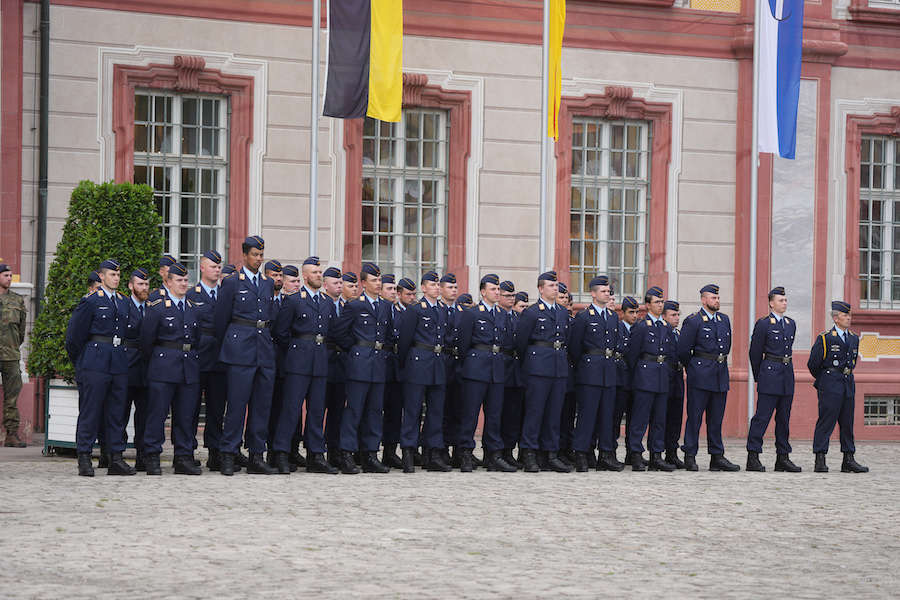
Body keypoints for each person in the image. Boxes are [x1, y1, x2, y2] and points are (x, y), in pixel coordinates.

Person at [213, 236, 277, 476]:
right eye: (255, 255)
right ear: (245, 255)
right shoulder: (232, 283)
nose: (259, 259)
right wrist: (230, 345)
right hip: (240, 349)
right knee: (237, 405)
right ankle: (228, 453)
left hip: (263, 349)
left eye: (261, 255)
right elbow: (221, 320)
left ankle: (256, 455)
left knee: (261, 406)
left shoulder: (267, 284)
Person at [65, 259, 134, 476]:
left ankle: (115, 457)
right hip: (95, 362)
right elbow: (74, 337)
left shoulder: (123, 302)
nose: (116, 278)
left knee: (116, 413)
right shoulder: (91, 301)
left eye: (118, 275)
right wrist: (83, 362)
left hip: (118, 362)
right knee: (91, 411)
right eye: (112, 275)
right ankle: (84, 457)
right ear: (101, 277)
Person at [271, 256, 337, 474]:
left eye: (320, 272)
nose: (319, 275)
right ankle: (281, 452)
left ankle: (315, 454)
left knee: (317, 410)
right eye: (315, 272)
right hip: (298, 361)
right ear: (305, 276)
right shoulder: (294, 300)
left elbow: (331, 333)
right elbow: (281, 332)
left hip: (319, 361)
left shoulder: (327, 302)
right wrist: (297, 350)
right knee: (291, 409)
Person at [140, 261, 202, 475]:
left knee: (185, 415)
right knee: (157, 414)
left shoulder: (193, 307)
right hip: (163, 367)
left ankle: (183, 457)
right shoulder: (157, 306)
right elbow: (147, 341)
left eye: (186, 280)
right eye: (179, 280)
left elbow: (198, 339)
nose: (184, 283)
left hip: (188, 367)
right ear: (168, 282)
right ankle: (152, 456)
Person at [331, 262, 393, 474]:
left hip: (378, 363)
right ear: (363, 283)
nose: (378, 283)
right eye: (374, 280)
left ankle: (370, 454)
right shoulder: (355, 305)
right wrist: (356, 348)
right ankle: (347, 453)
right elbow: (340, 332)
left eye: (379, 280)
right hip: (359, 362)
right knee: (354, 410)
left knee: (375, 411)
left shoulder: (385, 306)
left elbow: (389, 334)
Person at [455, 274, 517, 472]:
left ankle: (493, 454)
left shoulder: (502, 314)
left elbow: (506, 343)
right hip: (476, 369)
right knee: (470, 414)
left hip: (497, 369)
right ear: (483, 292)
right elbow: (463, 344)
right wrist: (471, 364)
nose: (497, 292)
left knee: (494, 414)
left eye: (498, 289)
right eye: (493, 289)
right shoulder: (472, 314)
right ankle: (464, 452)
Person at [677, 284, 739, 472]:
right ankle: (690, 454)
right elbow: (683, 350)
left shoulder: (723, 320)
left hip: (719, 374)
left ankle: (717, 456)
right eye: (713, 298)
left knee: (716, 418)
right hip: (700, 374)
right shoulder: (694, 321)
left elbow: (726, 346)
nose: (717, 301)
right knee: (695, 417)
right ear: (704, 299)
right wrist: (695, 367)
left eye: (718, 298)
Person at [515, 271, 571, 473]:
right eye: (550, 285)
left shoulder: (563, 312)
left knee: (554, 413)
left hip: (558, 367)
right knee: (535, 412)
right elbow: (521, 343)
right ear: (540, 288)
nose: (555, 289)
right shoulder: (532, 312)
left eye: (556, 285)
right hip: (538, 368)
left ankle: (551, 453)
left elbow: (568, 340)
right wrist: (532, 363)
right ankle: (529, 453)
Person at [396, 270, 451, 473]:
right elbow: (404, 341)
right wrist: (406, 364)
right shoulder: (416, 310)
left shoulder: (443, 310)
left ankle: (433, 453)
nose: (436, 287)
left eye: (438, 284)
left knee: (436, 411)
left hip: (437, 363)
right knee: (413, 409)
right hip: (418, 362)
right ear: (424, 288)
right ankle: (408, 451)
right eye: (432, 284)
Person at [568, 275, 623, 472]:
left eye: (608, 291)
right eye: (603, 291)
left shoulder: (613, 316)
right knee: (587, 415)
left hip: (608, 371)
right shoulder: (584, 317)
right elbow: (575, 347)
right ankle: (581, 453)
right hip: (589, 372)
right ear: (593, 293)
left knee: (607, 415)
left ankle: (606, 454)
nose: (607, 294)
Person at [808, 301, 868, 473]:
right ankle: (820, 458)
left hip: (848, 382)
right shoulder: (825, 338)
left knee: (847, 422)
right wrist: (826, 381)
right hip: (830, 383)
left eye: (850, 315)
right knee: (826, 421)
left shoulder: (854, 338)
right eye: (845, 315)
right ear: (836, 318)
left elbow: (853, 362)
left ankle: (848, 458)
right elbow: (813, 364)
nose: (849, 318)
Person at [746, 287, 801, 472]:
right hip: (769, 374)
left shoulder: (790, 323)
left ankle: (782, 457)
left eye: (785, 300)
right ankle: (753, 455)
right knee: (762, 417)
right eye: (780, 300)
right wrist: (759, 375)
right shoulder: (764, 324)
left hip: (786, 375)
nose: (784, 303)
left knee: (784, 418)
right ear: (771, 303)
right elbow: (754, 353)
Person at [625, 286, 675, 472]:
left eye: (662, 302)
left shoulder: (665, 327)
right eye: (657, 302)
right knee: (640, 418)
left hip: (661, 377)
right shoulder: (641, 327)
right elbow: (632, 355)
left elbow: (670, 354)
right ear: (648, 305)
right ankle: (636, 454)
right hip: (645, 377)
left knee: (659, 419)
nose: (660, 305)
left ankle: (656, 455)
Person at [186, 250, 226, 470]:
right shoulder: (193, 294)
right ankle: (187, 451)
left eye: (219, 267)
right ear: (202, 268)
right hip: (199, 357)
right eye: (213, 266)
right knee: (190, 408)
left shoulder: (226, 294)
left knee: (217, 409)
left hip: (220, 358)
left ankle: (215, 452)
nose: (217, 270)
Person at [123, 268, 149, 470]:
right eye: (140, 284)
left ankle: (142, 455)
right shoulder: (124, 307)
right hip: (127, 366)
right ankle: (114, 454)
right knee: (120, 413)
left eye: (146, 284)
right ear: (131, 286)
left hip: (146, 368)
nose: (144, 288)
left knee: (145, 415)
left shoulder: (152, 307)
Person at [0, 263, 27, 448]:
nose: (9, 278)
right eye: (5, 275)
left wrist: (13, 345)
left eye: (10, 275)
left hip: (10, 354)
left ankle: (11, 434)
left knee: (12, 396)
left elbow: (22, 330)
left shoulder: (17, 300)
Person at [380, 274, 405, 469]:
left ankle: (390, 451)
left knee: (395, 411)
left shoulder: (401, 311)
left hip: (396, 366)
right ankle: (366, 450)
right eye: (389, 289)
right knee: (373, 410)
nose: (393, 293)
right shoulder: (379, 309)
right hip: (380, 364)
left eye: (394, 289)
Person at [323, 266, 347, 467]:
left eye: (341, 283)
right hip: (324, 361)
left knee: (337, 410)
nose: (339, 286)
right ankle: (316, 450)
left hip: (342, 365)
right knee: (318, 409)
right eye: (335, 283)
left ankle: (334, 450)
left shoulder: (347, 306)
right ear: (325, 285)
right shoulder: (322, 303)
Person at [499, 281, 524, 469]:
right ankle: (496, 451)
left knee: (513, 414)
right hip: (499, 369)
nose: (510, 298)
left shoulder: (518, 317)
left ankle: (508, 450)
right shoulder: (495, 315)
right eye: (507, 295)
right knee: (497, 413)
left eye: (512, 295)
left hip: (515, 371)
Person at [613, 296, 640, 465]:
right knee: (615, 418)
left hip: (637, 379)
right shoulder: (617, 328)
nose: (635, 316)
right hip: (621, 379)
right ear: (622, 313)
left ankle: (632, 452)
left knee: (635, 418)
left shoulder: (641, 328)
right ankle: (611, 452)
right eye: (631, 312)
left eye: (637, 312)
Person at [662, 300, 686, 469]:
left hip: (677, 378)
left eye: (678, 315)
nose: (677, 318)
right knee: (661, 417)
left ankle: (672, 452)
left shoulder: (678, 333)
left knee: (675, 418)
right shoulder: (662, 332)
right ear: (664, 316)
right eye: (673, 315)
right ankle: (658, 452)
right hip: (664, 377)